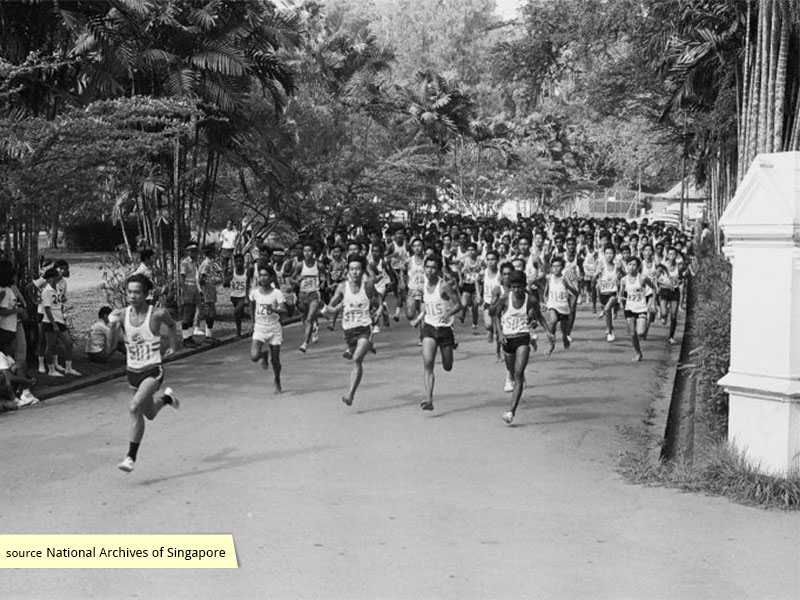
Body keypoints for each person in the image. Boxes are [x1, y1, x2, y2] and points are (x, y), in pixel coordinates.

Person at [108, 273, 180, 473]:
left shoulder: (157, 314)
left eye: (137, 292)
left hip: (152, 370)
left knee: (134, 408)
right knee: (149, 413)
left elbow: (172, 325)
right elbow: (111, 347)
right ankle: (166, 399)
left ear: (146, 294)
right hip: (132, 372)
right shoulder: (121, 315)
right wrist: (113, 327)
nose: (132, 296)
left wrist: (173, 346)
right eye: (129, 292)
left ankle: (130, 457)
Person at [321, 254, 381, 406]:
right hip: (349, 330)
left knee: (356, 360)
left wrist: (379, 311)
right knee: (356, 353)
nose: (355, 272)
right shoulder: (342, 287)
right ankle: (369, 346)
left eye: (358, 269)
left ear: (363, 271)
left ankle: (350, 394)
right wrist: (329, 309)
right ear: (348, 271)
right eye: (352, 269)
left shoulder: (367, 286)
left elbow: (380, 300)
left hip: (364, 327)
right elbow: (331, 305)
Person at [410, 256, 463, 411]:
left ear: (438, 270)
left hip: (445, 329)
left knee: (447, 366)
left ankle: (452, 346)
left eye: (433, 268)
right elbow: (426, 306)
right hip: (429, 328)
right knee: (428, 364)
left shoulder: (444, 286)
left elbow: (459, 304)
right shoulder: (423, 285)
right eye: (427, 267)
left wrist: (448, 314)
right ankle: (429, 399)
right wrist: (417, 319)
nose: (429, 271)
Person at [492, 271, 538, 425]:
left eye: (519, 287)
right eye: (513, 287)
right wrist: (499, 334)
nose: (516, 290)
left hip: (523, 338)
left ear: (524, 286)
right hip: (507, 340)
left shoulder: (530, 299)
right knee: (512, 372)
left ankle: (511, 411)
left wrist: (550, 334)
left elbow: (539, 315)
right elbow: (496, 315)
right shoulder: (505, 298)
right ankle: (515, 376)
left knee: (518, 374)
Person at [249, 265, 287, 394]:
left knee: (275, 359)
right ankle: (263, 355)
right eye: (260, 275)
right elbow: (252, 305)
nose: (262, 278)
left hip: (274, 328)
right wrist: (252, 322)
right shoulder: (254, 292)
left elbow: (284, 310)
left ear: (271, 277)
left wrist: (275, 309)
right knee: (254, 356)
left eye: (265, 275)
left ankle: (277, 380)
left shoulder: (277, 293)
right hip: (260, 327)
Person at [39, 268, 81, 377]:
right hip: (50, 321)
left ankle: (68, 368)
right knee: (51, 345)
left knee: (68, 343)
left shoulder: (56, 288)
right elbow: (47, 308)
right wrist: (53, 323)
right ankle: (51, 369)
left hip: (60, 318)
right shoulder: (46, 291)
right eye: (55, 277)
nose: (57, 279)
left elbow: (55, 302)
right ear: (50, 278)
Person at [619, 257, 657, 362]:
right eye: (629, 264)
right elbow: (621, 292)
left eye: (634, 265)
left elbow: (653, 288)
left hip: (641, 308)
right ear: (626, 266)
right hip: (629, 308)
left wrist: (653, 302)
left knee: (640, 332)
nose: (631, 267)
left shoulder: (642, 278)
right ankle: (638, 352)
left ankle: (648, 319)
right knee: (632, 333)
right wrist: (620, 300)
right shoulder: (624, 280)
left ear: (638, 267)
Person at [293, 242, 326, 353]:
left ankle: (305, 344)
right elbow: (291, 278)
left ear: (313, 252)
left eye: (309, 251)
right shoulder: (300, 265)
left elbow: (325, 275)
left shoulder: (319, 265)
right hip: (303, 295)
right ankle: (315, 325)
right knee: (307, 317)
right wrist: (297, 281)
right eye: (305, 251)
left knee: (308, 319)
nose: (307, 253)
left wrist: (323, 282)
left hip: (314, 294)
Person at [543, 256, 579, 356]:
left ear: (562, 267)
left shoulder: (565, 278)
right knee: (553, 321)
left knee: (564, 330)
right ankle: (551, 344)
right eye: (553, 266)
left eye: (558, 266)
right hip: (553, 305)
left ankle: (564, 337)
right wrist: (546, 302)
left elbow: (576, 293)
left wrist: (567, 286)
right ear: (551, 268)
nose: (556, 268)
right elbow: (545, 293)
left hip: (564, 307)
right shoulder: (549, 278)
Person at [198, 244, 222, 343]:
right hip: (207, 290)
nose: (215, 253)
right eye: (213, 251)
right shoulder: (206, 263)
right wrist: (203, 290)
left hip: (211, 289)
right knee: (211, 312)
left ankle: (209, 334)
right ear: (210, 252)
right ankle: (208, 336)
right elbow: (202, 278)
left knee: (212, 312)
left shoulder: (210, 263)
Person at [179, 243, 201, 348]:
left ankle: (190, 336)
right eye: (192, 251)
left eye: (195, 251)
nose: (194, 253)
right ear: (188, 252)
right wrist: (186, 292)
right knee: (187, 315)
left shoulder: (195, 263)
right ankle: (185, 338)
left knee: (192, 314)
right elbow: (182, 279)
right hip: (188, 288)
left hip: (194, 288)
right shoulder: (185, 263)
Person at [229, 253, 249, 337]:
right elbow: (225, 283)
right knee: (239, 315)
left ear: (244, 262)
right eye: (237, 261)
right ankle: (245, 317)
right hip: (234, 296)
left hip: (243, 296)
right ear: (234, 262)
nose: (239, 263)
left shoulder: (247, 272)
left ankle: (238, 332)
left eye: (241, 261)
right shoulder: (232, 272)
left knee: (236, 311)